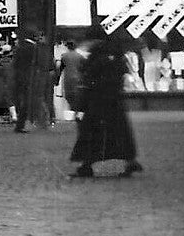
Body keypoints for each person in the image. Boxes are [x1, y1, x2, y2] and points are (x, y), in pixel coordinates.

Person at [70, 36, 142, 178]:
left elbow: (88, 79)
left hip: (97, 103)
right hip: (114, 102)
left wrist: (82, 103)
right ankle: (130, 160)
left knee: (93, 134)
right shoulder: (116, 56)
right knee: (119, 133)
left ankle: (87, 165)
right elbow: (121, 74)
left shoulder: (95, 58)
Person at [56, 40, 86, 117]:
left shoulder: (64, 56)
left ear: (67, 47)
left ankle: (72, 112)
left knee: (69, 96)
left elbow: (60, 69)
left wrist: (57, 80)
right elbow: (84, 68)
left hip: (68, 78)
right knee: (76, 96)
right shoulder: (80, 56)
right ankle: (76, 113)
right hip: (78, 78)